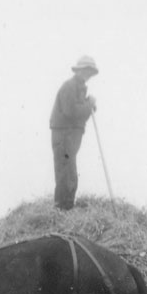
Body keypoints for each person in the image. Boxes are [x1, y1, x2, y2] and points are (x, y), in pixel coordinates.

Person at [49, 55, 98, 210]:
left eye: (90, 72)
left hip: (71, 136)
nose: (88, 74)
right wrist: (88, 104)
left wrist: (88, 106)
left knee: (70, 174)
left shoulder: (79, 88)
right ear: (79, 70)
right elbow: (72, 112)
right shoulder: (70, 86)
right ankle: (62, 210)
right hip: (64, 136)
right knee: (66, 174)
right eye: (86, 71)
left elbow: (79, 114)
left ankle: (66, 208)